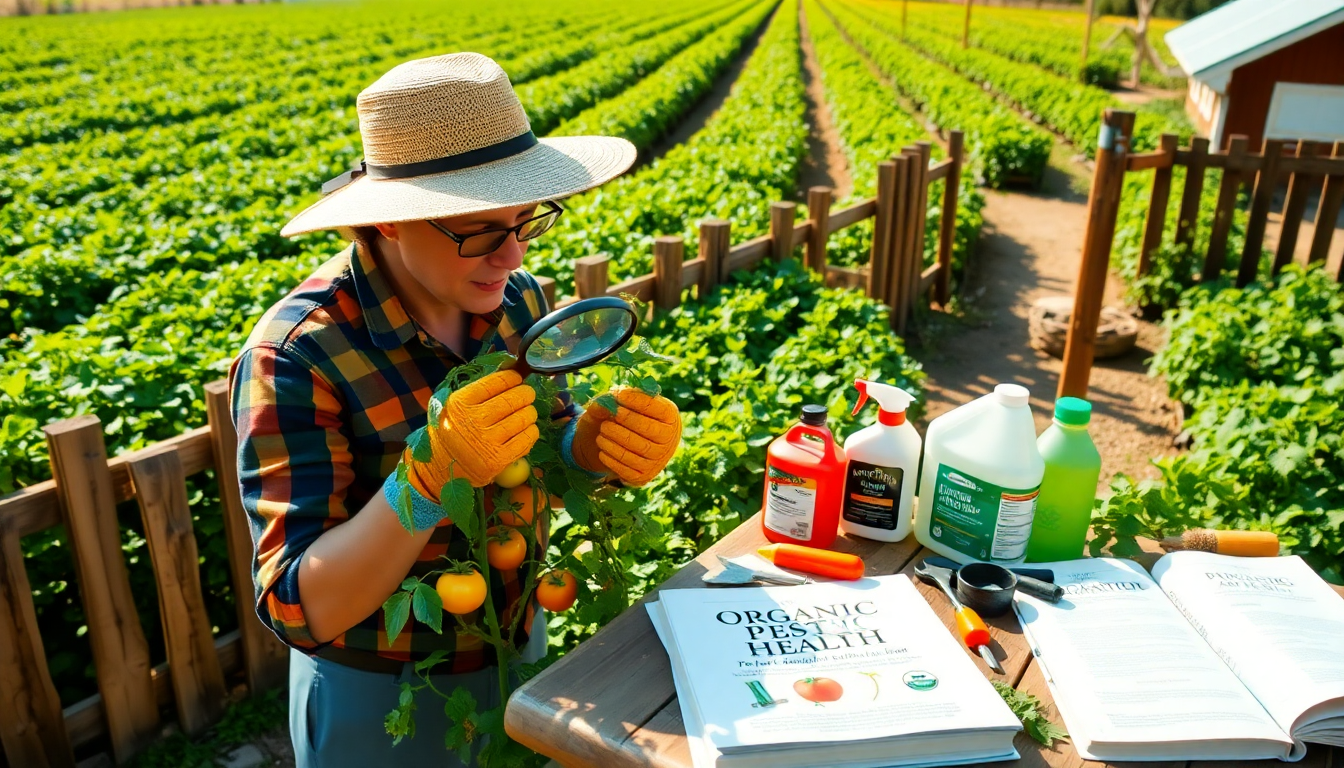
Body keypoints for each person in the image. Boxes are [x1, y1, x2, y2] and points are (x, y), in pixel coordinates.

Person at [227, 52, 682, 767]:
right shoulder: (298, 355)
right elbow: (299, 604)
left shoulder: (519, 301)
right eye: (478, 231)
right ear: (387, 224)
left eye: (527, 222)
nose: (510, 255)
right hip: (381, 695)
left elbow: (538, 445)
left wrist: (583, 451)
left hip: (519, 645)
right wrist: (426, 481)